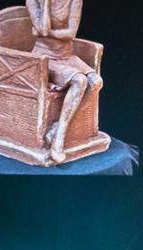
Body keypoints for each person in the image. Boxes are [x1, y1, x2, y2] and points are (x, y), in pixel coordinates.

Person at [25, 0, 103, 166]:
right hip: (44, 58)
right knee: (80, 81)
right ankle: (59, 138)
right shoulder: (33, 1)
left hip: (67, 57)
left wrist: (43, 33)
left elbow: (71, 33)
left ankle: (58, 127)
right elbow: (44, 29)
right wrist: (45, 4)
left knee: (96, 82)